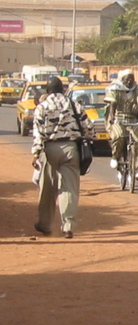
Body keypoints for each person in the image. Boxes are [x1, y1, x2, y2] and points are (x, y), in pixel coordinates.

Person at [31, 77, 94, 239]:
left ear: (47, 91)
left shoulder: (42, 107)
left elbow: (38, 133)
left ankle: (45, 224)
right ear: (63, 89)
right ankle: (68, 226)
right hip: (71, 149)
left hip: (49, 150)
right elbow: (89, 128)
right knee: (70, 188)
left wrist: (36, 153)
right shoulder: (74, 104)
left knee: (47, 188)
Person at [105, 69, 138, 178]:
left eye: (131, 79)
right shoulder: (115, 88)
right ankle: (115, 156)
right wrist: (112, 117)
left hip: (133, 118)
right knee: (118, 136)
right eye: (127, 79)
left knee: (137, 142)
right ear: (122, 80)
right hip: (118, 118)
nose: (129, 81)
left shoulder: (137, 89)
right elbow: (113, 103)